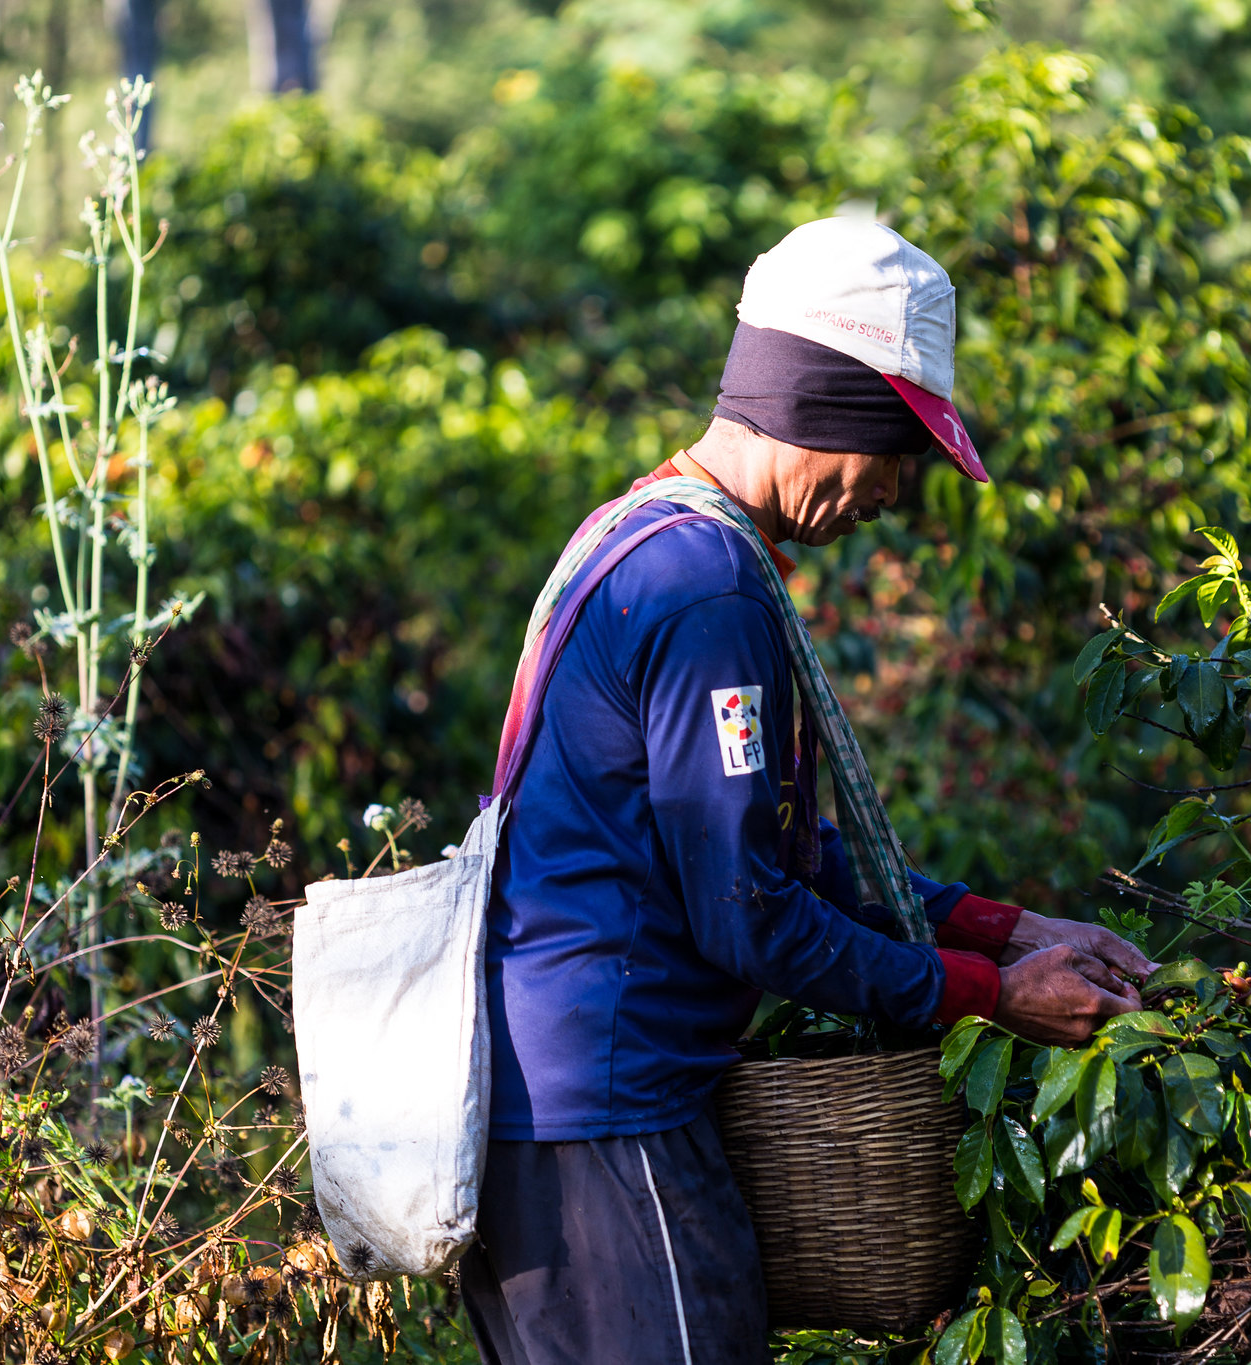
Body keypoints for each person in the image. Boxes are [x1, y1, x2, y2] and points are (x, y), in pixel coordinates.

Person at [463, 216, 1156, 1365]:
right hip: (607, 1110)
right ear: (826, 405)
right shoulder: (706, 587)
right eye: (894, 450)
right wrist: (988, 994)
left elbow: (775, 849)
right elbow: (747, 915)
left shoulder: (639, 532)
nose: (888, 492)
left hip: (572, 1106)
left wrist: (1005, 924)